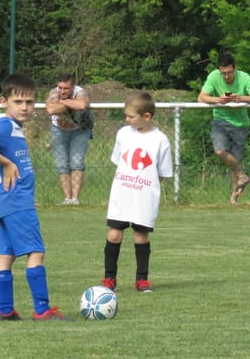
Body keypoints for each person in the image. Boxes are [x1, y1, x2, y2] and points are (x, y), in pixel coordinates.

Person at [0, 73, 66, 321]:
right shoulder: (6, 126)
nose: (25, 107)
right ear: (4, 101)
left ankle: (5, 311)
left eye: (29, 102)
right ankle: (42, 310)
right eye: (18, 102)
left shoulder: (15, 128)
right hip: (17, 201)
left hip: (5, 202)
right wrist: (6, 163)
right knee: (36, 251)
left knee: (7, 254)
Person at [100, 92, 173, 293]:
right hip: (121, 195)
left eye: (131, 116)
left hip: (144, 198)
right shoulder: (123, 133)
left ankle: (142, 279)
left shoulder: (160, 140)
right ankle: (109, 279)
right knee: (114, 235)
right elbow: (119, 162)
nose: (127, 120)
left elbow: (162, 173)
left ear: (147, 116)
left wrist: (145, 186)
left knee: (141, 237)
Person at [198, 53, 250, 205]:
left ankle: (233, 199)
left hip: (240, 124)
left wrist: (241, 98)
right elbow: (201, 97)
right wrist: (218, 100)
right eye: (223, 73)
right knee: (220, 151)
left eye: (229, 72)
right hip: (220, 120)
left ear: (235, 68)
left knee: (236, 160)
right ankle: (243, 175)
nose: (226, 76)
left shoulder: (244, 77)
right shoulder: (214, 76)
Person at [45, 73, 92, 205]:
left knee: (77, 162)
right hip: (58, 129)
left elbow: (82, 105)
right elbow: (50, 109)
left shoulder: (81, 92)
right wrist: (71, 104)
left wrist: (62, 102)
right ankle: (67, 198)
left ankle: (75, 199)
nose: (62, 91)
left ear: (73, 87)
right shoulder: (54, 93)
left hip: (80, 130)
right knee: (62, 164)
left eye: (66, 88)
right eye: (60, 88)